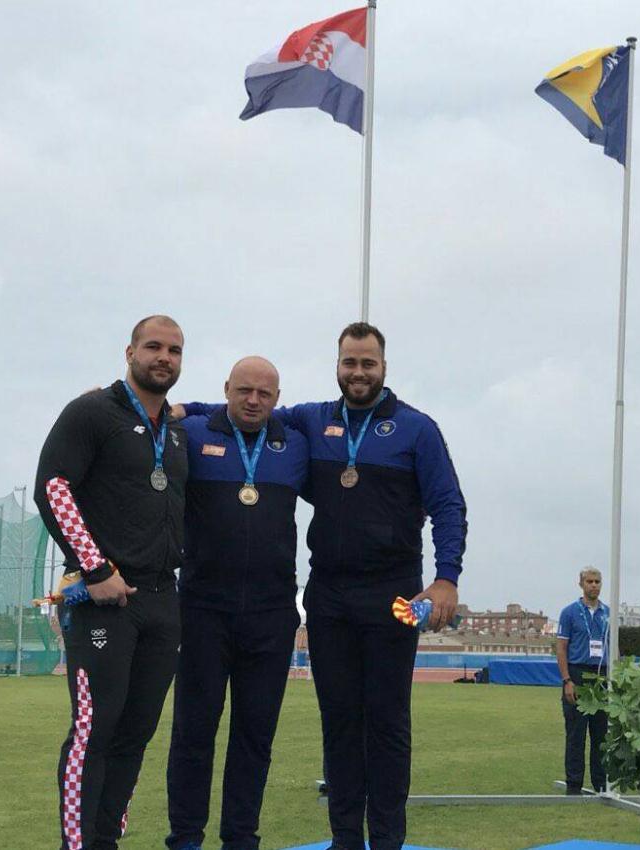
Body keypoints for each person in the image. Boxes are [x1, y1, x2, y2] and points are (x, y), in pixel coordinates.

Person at [183, 322, 467, 850]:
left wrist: (446, 577)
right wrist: (174, 410)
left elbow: (448, 504)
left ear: (384, 367)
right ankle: (344, 840)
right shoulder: (310, 421)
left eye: (368, 363)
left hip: (395, 595)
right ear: (337, 365)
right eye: (349, 363)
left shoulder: (417, 430)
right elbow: (243, 408)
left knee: (386, 722)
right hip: (328, 596)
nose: (358, 372)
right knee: (337, 721)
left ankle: (385, 840)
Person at [34, 315, 188, 850]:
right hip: (106, 601)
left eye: (173, 350)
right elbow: (53, 487)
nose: (163, 357)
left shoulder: (176, 430)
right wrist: (96, 570)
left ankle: (106, 840)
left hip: (163, 601)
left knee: (135, 735)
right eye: (153, 347)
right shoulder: (91, 412)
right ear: (129, 351)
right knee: (93, 732)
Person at [165, 357, 308, 850]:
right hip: (203, 609)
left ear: (277, 397)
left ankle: (241, 838)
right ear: (226, 389)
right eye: (243, 390)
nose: (253, 401)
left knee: (255, 737)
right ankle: (185, 838)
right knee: (193, 732)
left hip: (271, 615)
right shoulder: (193, 431)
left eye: (264, 394)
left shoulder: (295, 442)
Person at [554, 567, 610, 794]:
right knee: (576, 733)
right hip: (577, 674)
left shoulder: (607, 612)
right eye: (590, 581)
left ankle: (601, 783)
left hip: (602, 675)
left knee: (601, 734)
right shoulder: (569, 612)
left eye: (597, 581)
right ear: (581, 584)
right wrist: (567, 679)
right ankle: (574, 785)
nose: (594, 585)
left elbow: (613, 646)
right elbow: (561, 648)